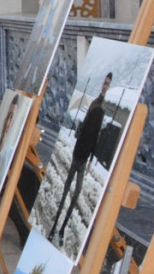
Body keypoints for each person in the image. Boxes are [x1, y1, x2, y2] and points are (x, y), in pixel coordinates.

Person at [48, 72, 112, 242]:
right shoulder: (94, 104)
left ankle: (61, 229)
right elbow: (84, 129)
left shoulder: (103, 108)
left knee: (76, 194)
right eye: (104, 83)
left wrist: (91, 159)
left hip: (85, 156)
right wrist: (79, 140)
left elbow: (97, 135)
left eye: (108, 84)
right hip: (79, 153)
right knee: (66, 190)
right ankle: (55, 228)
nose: (105, 86)